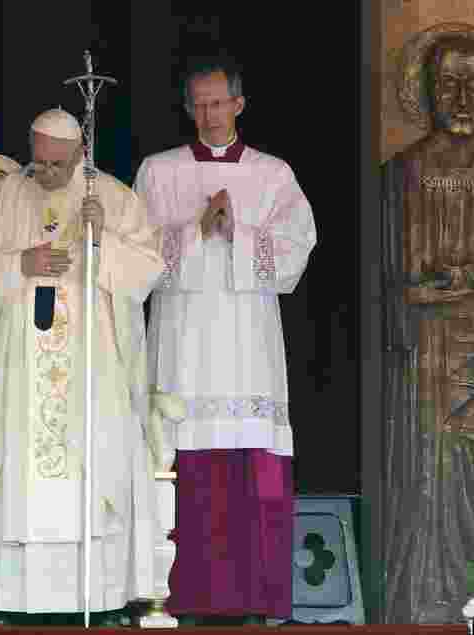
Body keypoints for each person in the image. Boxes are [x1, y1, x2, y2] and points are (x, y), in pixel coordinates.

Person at [0, 107, 164, 625]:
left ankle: (95, 594)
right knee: (21, 463)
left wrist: (99, 240)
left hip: (91, 365)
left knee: (88, 466)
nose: (44, 174)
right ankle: (17, 599)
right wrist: (20, 264)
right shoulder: (7, 194)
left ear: (79, 155)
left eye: (56, 166)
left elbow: (150, 267)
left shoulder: (110, 196)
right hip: (19, 364)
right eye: (38, 161)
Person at [133, 56, 317, 625]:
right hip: (182, 337)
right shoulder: (158, 171)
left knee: (248, 464)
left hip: (247, 342)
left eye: (219, 103)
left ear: (239, 104)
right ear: (189, 109)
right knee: (177, 459)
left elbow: (297, 248)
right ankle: (174, 597)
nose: (210, 115)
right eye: (200, 105)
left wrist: (236, 231)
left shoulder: (273, 174)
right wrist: (193, 232)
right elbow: (134, 256)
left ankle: (257, 599)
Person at [382, 25, 474, 623]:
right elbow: (380, 276)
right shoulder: (400, 175)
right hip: (419, 358)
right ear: (428, 92)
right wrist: (415, 294)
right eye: (449, 84)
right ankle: (418, 600)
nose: (462, 100)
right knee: (421, 477)